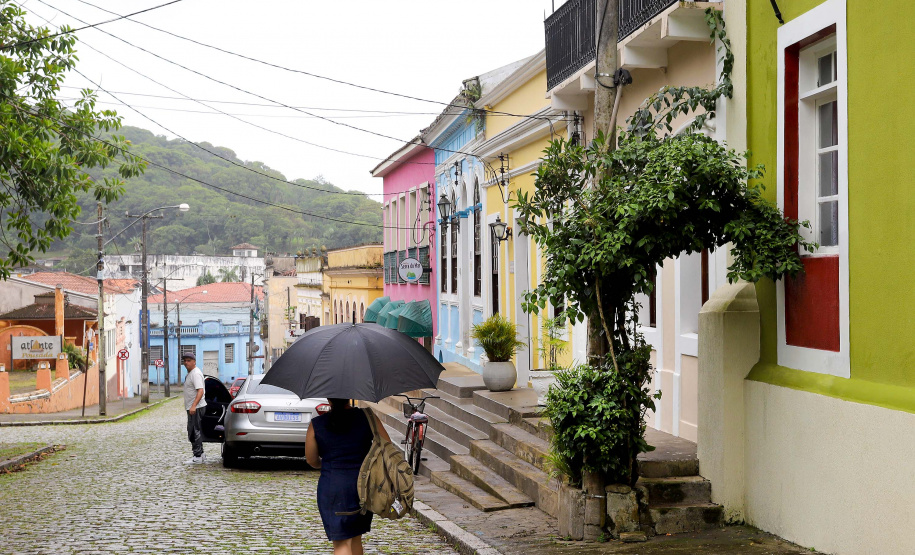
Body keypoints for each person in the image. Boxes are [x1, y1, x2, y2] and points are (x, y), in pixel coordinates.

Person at [305, 399, 391, 555]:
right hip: (363, 486)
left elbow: (311, 459)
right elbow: (387, 446)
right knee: (355, 537)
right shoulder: (367, 417)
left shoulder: (317, 424)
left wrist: (324, 464)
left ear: (328, 399)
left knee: (341, 544)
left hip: (333, 487)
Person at [182, 353, 207, 464]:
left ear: (194, 362)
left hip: (196, 407)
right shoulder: (190, 374)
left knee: (193, 431)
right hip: (193, 407)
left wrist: (193, 406)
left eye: (188, 360)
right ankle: (201, 454)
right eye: (184, 361)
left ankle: (197, 456)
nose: (186, 363)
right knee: (194, 430)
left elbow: (200, 391)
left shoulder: (195, 374)